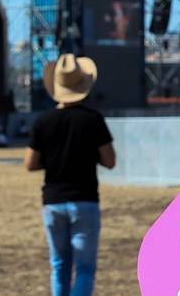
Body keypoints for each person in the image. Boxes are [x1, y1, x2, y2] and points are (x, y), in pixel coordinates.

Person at [25, 54, 116, 296]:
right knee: (85, 268)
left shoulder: (42, 122)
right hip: (85, 200)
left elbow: (30, 164)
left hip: (53, 201)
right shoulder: (93, 120)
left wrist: (53, 158)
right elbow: (110, 160)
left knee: (59, 266)